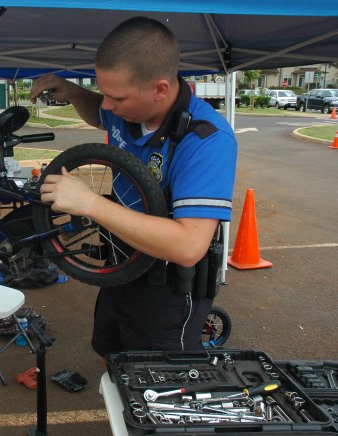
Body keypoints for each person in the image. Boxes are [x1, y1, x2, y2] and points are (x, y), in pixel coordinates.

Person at [30, 17, 237, 365]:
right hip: (122, 264)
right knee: (110, 355)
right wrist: (76, 92)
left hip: (167, 289)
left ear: (159, 89)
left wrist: (90, 203)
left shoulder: (206, 140)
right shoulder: (129, 111)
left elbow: (189, 246)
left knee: (154, 381)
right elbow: (99, 114)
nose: (108, 105)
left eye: (116, 96)